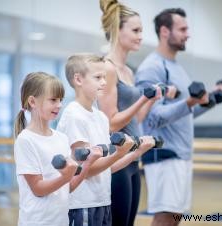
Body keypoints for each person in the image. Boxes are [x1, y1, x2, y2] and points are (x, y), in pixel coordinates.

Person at [135, 8, 222, 226]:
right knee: (165, 219)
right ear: (165, 31)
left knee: (174, 218)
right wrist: (189, 102)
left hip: (180, 154)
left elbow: (185, 113)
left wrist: (211, 99)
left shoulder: (177, 67)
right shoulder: (152, 68)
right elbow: (152, 118)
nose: (188, 34)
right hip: (165, 154)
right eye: (183, 29)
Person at [97, 1, 177, 225]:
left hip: (133, 160)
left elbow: (136, 119)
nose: (141, 36)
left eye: (141, 30)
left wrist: (151, 100)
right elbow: (111, 123)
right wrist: (143, 98)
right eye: (135, 30)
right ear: (117, 30)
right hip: (117, 161)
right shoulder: (108, 68)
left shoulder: (128, 71)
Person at [57, 53, 156, 226]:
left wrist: (135, 153)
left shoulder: (101, 118)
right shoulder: (74, 115)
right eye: (98, 77)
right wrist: (118, 154)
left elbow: (107, 168)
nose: (104, 82)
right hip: (82, 205)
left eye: (104, 77)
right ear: (78, 80)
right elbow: (87, 169)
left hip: (103, 203)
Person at [14, 72, 101, 226]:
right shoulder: (25, 140)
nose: (59, 105)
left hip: (61, 221)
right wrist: (65, 177)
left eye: (60, 100)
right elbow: (38, 189)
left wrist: (88, 163)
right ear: (33, 102)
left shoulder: (62, 138)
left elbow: (67, 188)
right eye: (53, 100)